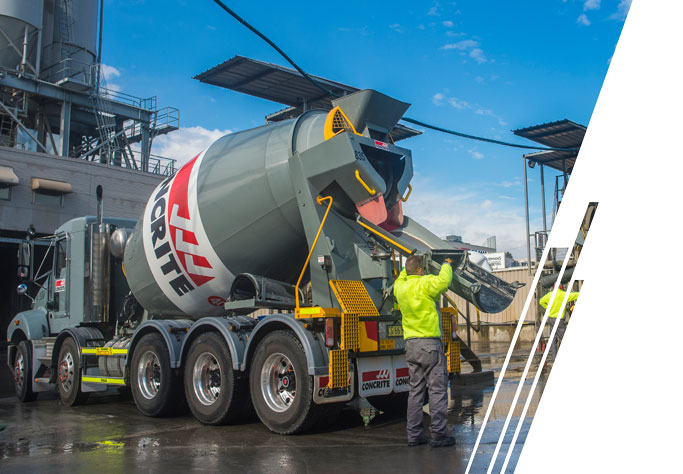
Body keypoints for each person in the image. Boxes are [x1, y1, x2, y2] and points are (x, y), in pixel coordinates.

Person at [393, 254, 455, 448]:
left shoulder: (400, 287)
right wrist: (446, 264)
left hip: (411, 346)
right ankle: (438, 435)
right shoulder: (425, 283)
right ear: (421, 271)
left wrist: (408, 265)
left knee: (415, 391)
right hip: (430, 344)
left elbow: (403, 275)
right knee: (437, 390)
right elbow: (444, 281)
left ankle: (414, 435)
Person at [539, 284, 580, 361]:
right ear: (561, 287)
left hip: (551, 319)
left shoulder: (549, 295)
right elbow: (575, 295)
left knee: (553, 339)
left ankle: (554, 358)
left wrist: (548, 308)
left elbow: (541, 301)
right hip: (559, 320)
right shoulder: (563, 294)